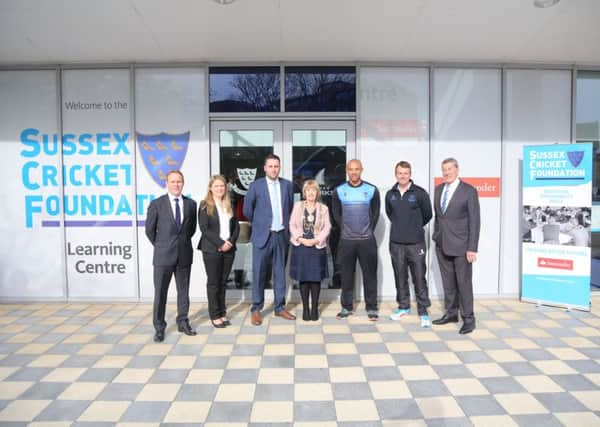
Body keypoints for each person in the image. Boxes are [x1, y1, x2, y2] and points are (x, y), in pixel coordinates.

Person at [145, 170, 197, 342]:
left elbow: (191, 230)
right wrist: (162, 246)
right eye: (173, 181)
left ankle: (183, 321)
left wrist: (179, 244)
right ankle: (159, 327)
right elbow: (149, 231)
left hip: (183, 255)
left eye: (179, 181)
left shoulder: (191, 204)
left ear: (183, 183)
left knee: (183, 292)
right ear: (166, 183)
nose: (176, 184)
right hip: (163, 257)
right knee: (161, 293)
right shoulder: (156, 204)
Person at [243, 154, 295, 325]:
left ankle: (279, 307)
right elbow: (247, 210)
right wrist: (260, 224)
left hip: (281, 235)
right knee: (259, 273)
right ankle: (256, 308)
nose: (274, 169)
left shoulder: (287, 185)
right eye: (270, 166)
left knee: (280, 273)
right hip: (262, 235)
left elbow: (290, 208)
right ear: (264, 168)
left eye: (276, 166)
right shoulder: (256, 186)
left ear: (279, 168)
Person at [432, 158, 480, 334]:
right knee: (448, 283)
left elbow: (475, 222)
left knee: (464, 283)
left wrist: (472, 248)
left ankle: (468, 318)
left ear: (457, 170)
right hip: (442, 244)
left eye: (450, 169)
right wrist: (436, 237)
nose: (446, 172)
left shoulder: (469, 191)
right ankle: (451, 313)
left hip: (462, 246)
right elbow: (439, 217)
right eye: (444, 169)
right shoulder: (438, 190)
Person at [331, 159, 381, 321]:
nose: (354, 172)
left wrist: (367, 230)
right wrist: (345, 228)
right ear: (347, 170)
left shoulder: (372, 190)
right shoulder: (339, 190)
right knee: (346, 275)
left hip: (367, 240)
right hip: (347, 240)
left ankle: (372, 307)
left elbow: (375, 214)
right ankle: (346, 307)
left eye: (357, 169)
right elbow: (336, 213)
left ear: (361, 170)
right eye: (351, 169)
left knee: (370, 275)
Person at [385, 161, 433, 328]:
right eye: (400, 173)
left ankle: (423, 311)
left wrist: (413, 228)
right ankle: (403, 306)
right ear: (396, 174)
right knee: (400, 276)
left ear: (410, 174)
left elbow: (428, 214)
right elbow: (390, 214)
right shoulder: (390, 194)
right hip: (396, 243)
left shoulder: (420, 193)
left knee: (419, 277)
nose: (402, 176)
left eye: (405, 173)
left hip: (416, 244)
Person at [198, 175, 240, 328]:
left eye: (222, 186)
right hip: (212, 249)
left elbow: (236, 227)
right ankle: (214, 315)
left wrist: (230, 242)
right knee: (214, 283)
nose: (220, 188)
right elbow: (204, 229)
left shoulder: (229, 204)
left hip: (229, 249)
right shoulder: (204, 205)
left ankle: (222, 313)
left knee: (223, 282)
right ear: (211, 188)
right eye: (216, 186)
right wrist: (221, 243)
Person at [289, 179, 332, 321]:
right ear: (304, 192)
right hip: (301, 246)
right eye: (308, 190)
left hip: (317, 247)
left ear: (317, 192)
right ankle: (305, 309)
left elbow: (327, 227)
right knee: (304, 278)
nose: (311, 193)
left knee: (315, 279)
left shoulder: (323, 208)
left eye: (313, 190)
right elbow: (292, 225)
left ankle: (314, 309)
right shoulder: (297, 206)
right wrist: (300, 239)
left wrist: (316, 240)